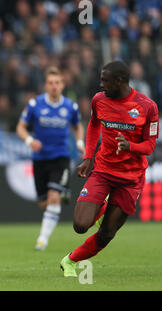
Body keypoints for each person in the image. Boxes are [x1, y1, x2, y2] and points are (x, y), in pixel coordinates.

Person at [60, 61, 159, 277]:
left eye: (105, 80)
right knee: (80, 225)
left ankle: (70, 261)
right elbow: (94, 125)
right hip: (104, 171)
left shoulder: (147, 106)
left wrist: (130, 146)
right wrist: (88, 157)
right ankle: (103, 203)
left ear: (120, 81)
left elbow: (150, 146)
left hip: (131, 179)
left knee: (106, 233)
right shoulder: (99, 100)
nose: (101, 84)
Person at [16, 66, 85, 251]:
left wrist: (79, 142)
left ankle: (42, 240)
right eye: (50, 83)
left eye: (57, 83)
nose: (54, 86)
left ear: (62, 85)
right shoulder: (34, 105)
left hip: (61, 158)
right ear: (45, 85)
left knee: (53, 197)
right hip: (39, 159)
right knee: (44, 203)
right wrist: (30, 140)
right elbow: (21, 127)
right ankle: (62, 192)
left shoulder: (71, 106)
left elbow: (78, 126)